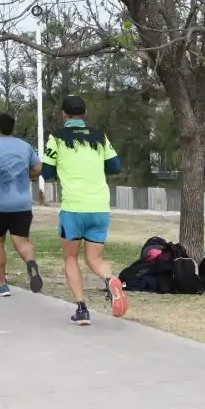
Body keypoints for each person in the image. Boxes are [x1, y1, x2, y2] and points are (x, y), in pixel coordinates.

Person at [40, 95, 127, 325]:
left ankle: (81, 309)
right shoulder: (99, 136)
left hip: (74, 208)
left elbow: (46, 173)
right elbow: (115, 166)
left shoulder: (56, 139)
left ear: (64, 116)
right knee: (94, 259)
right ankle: (110, 280)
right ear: (85, 116)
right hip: (100, 206)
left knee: (70, 258)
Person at [0, 112, 43, 297]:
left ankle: (2, 284)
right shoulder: (25, 146)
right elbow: (37, 168)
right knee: (22, 240)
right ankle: (30, 263)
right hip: (22, 203)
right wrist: (24, 175)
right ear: (13, 127)